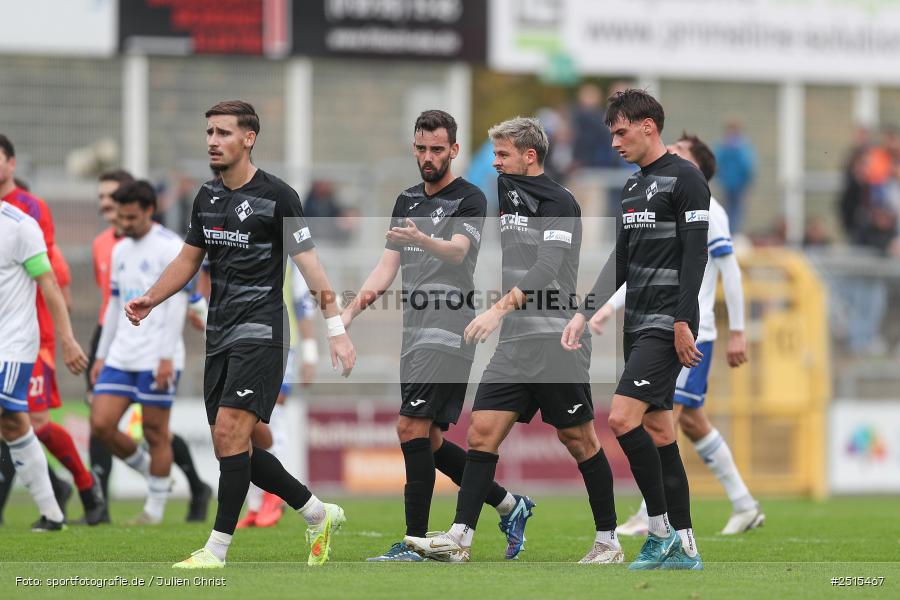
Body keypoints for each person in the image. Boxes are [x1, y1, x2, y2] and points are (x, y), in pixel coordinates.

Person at [124, 100, 355, 569]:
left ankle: (216, 550)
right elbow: (190, 259)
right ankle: (317, 512)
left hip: (263, 331)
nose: (213, 140)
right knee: (233, 446)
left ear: (248, 138)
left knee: (231, 432)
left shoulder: (280, 196)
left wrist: (335, 330)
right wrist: (152, 297)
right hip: (221, 332)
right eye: (209, 132)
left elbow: (311, 267)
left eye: (223, 133)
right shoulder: (206, 197)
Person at [405, 116, 620, 565]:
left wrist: (496, 310)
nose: (495, 163)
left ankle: (608, 542)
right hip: (515, 344)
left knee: (579, 440)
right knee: (482, 431)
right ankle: (460, 539)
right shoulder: (504, 188)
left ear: (530, 156)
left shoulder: (562, 201)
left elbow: (545, 270)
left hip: (556, 341)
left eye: (503, 155)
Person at [342, 110, 535, 562]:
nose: (428, 157)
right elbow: (386, 267)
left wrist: (422, 240)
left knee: (409, 426)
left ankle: (414, 541)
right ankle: (509, 504)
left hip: (450, 327)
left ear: (453, 150)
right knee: (425, 439)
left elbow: (457, 250)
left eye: (437, 149)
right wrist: (349, 312)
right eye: (421, 148)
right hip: (414, 329)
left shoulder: (469, 198)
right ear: (414, 147)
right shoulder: (407, 200)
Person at [562, 89, 709, 570]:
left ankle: (660, 531)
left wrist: (684, 321)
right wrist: (586, 311)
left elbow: (695, 256)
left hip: (669, 323)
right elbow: (620, 261)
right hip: (638, 322)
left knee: (623, 419)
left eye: (620, 132)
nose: (614, 143)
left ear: (649, 126)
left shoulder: (686, 179)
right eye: (611, 134)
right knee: (660, 431)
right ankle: (687, 548)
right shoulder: (630, 188)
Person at [591, 132, 764, 536]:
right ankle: (742, 503)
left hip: (690, 330)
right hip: (660, 323)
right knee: (685, 423)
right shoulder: (651, 194)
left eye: (680, 151)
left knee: (653, 421)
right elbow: (644, 268)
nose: (670, 153)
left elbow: (728, 270)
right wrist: (604, 307)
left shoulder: (711, 210)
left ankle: (653, 516)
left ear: (697, 165)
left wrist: (736, 331)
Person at [87, 169, 212, 524]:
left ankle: (153, 511)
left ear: (148, 210)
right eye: (120, 216)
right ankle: (152, 473)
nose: (123, 223)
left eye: (130, 216)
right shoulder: (120, 248)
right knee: (101, 424)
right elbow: (113, 304)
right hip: (122, 354)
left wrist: (165, 357)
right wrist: (100, 355)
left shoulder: (171, 246)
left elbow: (176, 304)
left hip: (158, 355)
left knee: (157, 432)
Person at [0, 134, 105, 525]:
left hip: (26, 336)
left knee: (31, 420)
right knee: (15, 422)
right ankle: (55, 497)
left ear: (12, 163)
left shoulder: (26, 215)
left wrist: (63, 337)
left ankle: (81, 487)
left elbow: (53, 273)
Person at [0, 197, 88, 530]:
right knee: (13, 425)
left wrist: (67, 339)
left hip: (12, 343)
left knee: (6, 414)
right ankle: (53, 512)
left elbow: (49, 284)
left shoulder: (19, 226)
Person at [714, 119, 756, 235]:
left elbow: (716, 163)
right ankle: (731, 232)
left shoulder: (725, 145)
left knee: (732, 210)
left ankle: (731, 232)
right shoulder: (742, 146)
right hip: (732, 184)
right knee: (733, 210)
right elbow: (748, 165)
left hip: (734, 184)